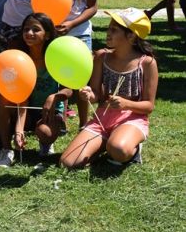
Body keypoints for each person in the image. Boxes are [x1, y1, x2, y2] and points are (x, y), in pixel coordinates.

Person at [61, 9, 157, 168]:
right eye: (109, 28)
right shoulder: (101, 57)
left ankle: (130, 148)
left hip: (132, 118)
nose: (108, 33)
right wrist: (89, 95)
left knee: (118, 149)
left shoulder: (147, 63)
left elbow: (149, 106)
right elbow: (96, 95)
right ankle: (107, 144)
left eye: (114, 30)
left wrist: (126, 104)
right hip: (102, 119)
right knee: (68, 162)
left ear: (131, 36)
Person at [0, 13, 72, 167]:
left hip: (49, 111)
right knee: (0, 103)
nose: (29, 33)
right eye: (26, 29)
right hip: (25, 107)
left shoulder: (56, 57)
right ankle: (6, 150)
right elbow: (22, 97)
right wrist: (19, 130)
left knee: (45, 133)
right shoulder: (19, 57)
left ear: (48, 34)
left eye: (35, 30)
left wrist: (54, 97)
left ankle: (45, 143)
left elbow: (68, 90)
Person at [40, 0, 99, 127]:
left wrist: (72, 23)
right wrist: (51, 27)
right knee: (56, 78)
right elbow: (41, 1)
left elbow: (93, 7)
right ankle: (58, 120)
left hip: (80, 34)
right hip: (54, 34)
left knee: (81, 82)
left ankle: (84, 124)